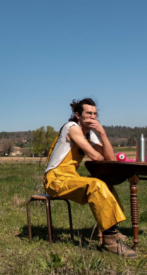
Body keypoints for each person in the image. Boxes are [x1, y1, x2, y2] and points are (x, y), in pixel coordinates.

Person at [44, 98, 137, 258]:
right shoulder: (71, 128)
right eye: (89, 113)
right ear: (78, 115)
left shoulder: (91, 134)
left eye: (95, 114)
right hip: (55, 179)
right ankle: (110, 241)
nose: (93, 117)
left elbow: (109, 158)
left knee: (105, 184)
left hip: (70, 177)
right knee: (96, 185)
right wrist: (99, 154)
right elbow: (94, 155)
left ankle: (112, 229)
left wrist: (103, 133)